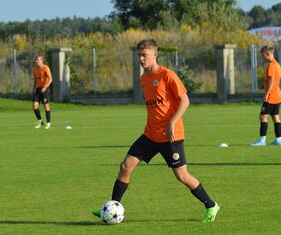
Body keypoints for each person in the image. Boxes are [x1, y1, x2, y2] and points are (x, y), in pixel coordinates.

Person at [92, 39, 220, 222]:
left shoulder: (167, 75)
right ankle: (111, 208)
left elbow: (185, 100)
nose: (141, 59)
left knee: (181, 175)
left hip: (171, 136)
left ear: (155, 54)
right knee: (125, 166)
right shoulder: (144, 79)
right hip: (150, 134)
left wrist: (172, 122)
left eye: (144, 55)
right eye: (139, 56)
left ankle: (211, 205)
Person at [251, 45, 281, 146]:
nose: (263, 58)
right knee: (275, 117)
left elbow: (271, 80)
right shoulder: (277, 64)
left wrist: (267, 94)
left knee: (262, 117)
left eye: (263, 56)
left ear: (267, 54)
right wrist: (263, 86)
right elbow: (271, 80)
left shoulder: (271, 66)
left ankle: (262, 140)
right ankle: (278, 140)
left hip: (271, 96)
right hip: (278, 95)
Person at [32, 54, 52, 129]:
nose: (36, 61)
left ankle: (48, 123)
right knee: (35, 106)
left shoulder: (46, 68)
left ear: (41, 60)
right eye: (36, 59)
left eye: (37, 59)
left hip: (45, 89)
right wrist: (33, 89)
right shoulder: (35, 69)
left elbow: (50, 79)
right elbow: (35, 80)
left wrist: (45, 87)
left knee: (46, 107)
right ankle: (40, 121)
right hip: (38, 89)